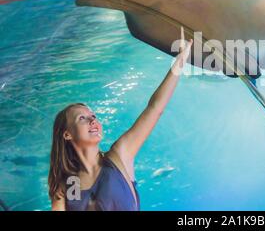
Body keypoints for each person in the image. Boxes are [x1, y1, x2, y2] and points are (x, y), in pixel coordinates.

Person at [48, 27, 193, 211]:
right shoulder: (70, 183)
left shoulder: (120, 156)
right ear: (67, 134)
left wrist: (182, 58)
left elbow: (155, 108)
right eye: (82, 118)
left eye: (93, 116)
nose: (93, 121)